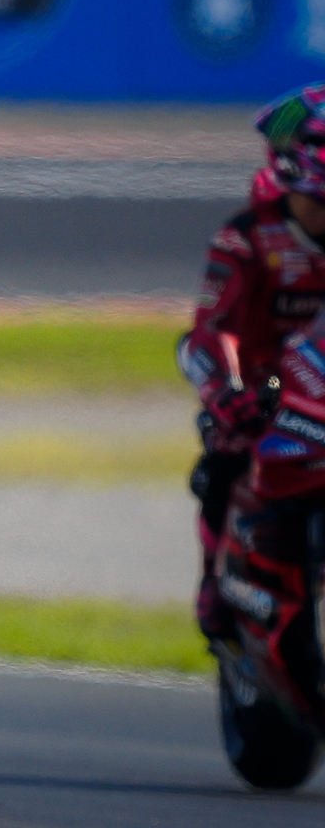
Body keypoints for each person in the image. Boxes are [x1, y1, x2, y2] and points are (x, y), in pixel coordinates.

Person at [179, 83, 325, 638]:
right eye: (318, 201)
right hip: (266, 388)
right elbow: (210, 333)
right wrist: (228, 393)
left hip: (324, 385)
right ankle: (214, 584)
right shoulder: (247, 239)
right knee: (224, 456)